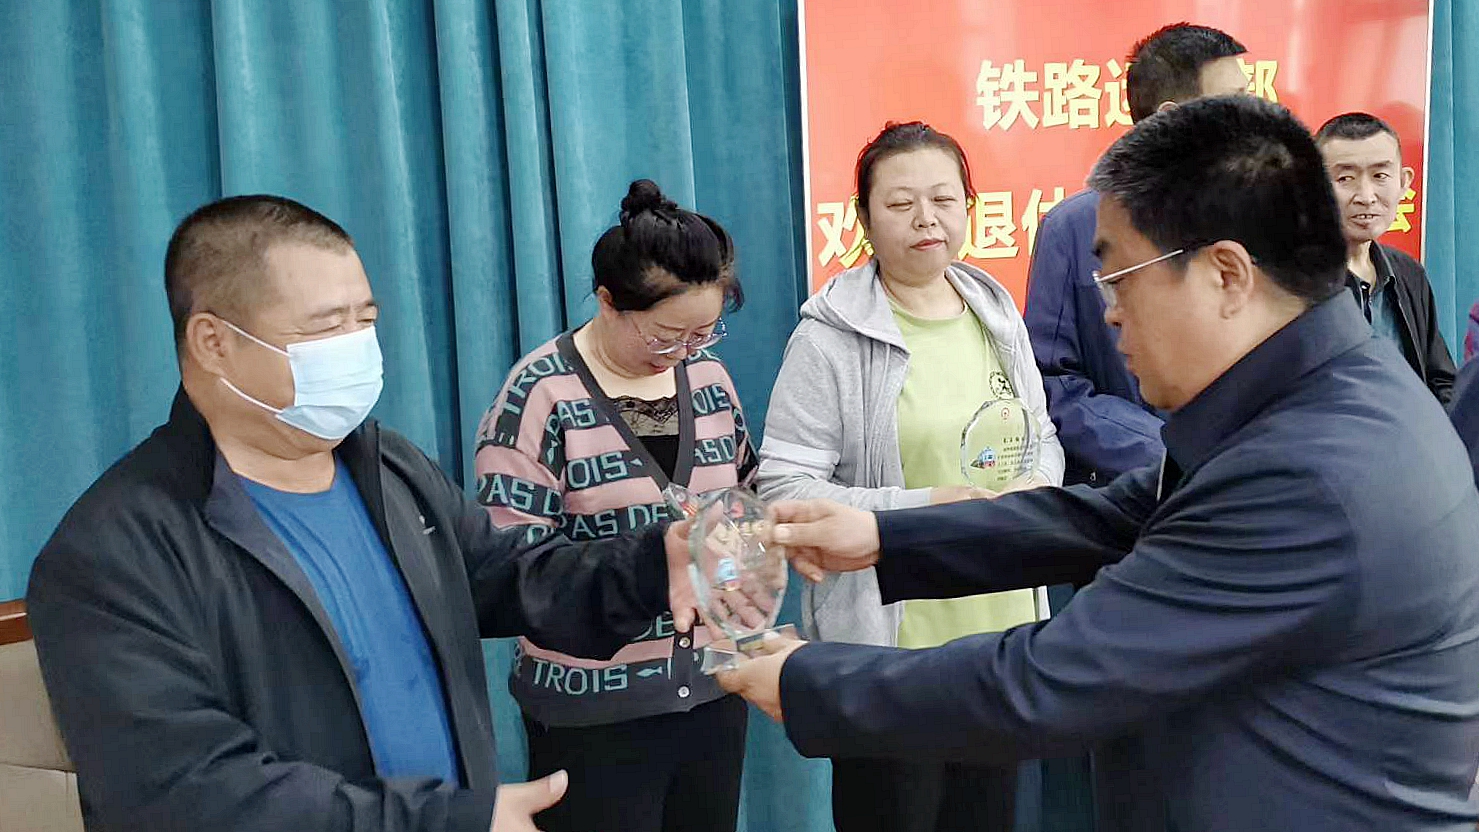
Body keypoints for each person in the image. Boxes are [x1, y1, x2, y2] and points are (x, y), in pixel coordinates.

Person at [723, 97, 1479, 831]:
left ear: (1226, 274)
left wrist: (805, 678)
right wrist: (885, 534)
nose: (1109, 312)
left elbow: (1046, 680)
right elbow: (1115, 514)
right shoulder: (1314, 393)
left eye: (1118, 279)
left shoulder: (1308, 473)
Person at [25, 195, 700, 832]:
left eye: (365, 320)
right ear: (213, 342)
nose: (355, 346)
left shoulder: (386, 469)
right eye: (326, 327)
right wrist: (440, 821)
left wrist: (657, 561)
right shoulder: (114, 554)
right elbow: (183, 789)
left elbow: (511, 577)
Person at [756, 121, 1064, 832]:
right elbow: (783, 491)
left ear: (968, 207)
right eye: (900, 204)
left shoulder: (995, 313)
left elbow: (1042, 439)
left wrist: (1031, 494)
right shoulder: (828, 339)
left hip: (999, 646)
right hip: (890, 659)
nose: (926, 219)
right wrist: (929, 508)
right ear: (863, 219)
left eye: (943, 199)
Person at [474, 180, 753, 832]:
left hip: (713, 695)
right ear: (607, 302)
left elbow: (746, 497)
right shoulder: (540, 394)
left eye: (704, 333)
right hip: (593, 715)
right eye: (665, 336)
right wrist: (653, 558)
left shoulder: (708, 381)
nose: (684, 353)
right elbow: (511, 566)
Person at [1024, 23, 1249, 487]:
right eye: (1233, 104)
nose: (1251, 120)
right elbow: (1054, 384)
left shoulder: (1257, 217)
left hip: (1247, 481)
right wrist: (1166, 453)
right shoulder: (1073, 229)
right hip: (1133, 490)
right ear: (1172, 119)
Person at [1315, 112, 1456, 403]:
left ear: (1404, 182)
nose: (1366, 196)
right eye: (1345, 178)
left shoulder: (1409, 273)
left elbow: (1442, 380)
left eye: (1380, 176)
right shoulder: (1294, 284)